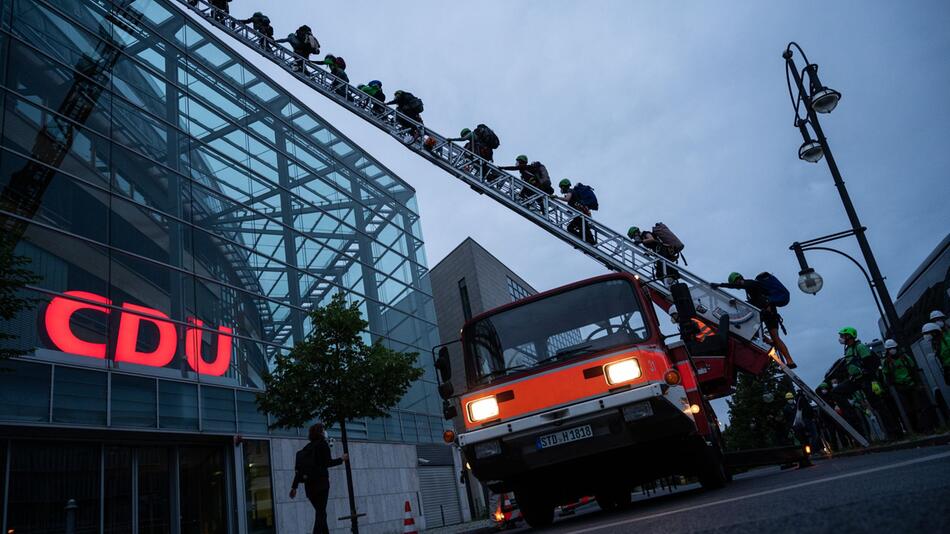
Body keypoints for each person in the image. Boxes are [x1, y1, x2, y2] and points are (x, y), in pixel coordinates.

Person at [711, 272, 796, 368]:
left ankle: (788, 359)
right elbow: (754, 303)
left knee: (763, 334)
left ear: (738, 279)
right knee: (768, 336)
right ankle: (786, 358)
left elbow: (735, 286)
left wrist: (720, 285)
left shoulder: (750, 283)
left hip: (769, 313)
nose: (737, 286)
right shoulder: (751, 290)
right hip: (768, 313)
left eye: (736, 283)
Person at [291, 423, 349, 534]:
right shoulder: (322, 445)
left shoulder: (307, 448)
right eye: (323, 430)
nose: (325, 432)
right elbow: (328, 463)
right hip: (321, 485)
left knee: (321, 512)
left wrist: (294, 487)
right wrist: (341, 459)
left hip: (309, 487)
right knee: (321, 513)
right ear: (320, 433)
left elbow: (299, 470)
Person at [881, 338, 932, 434]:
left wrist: (917, 383)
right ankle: (915, 429)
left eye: (893, 348)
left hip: (911, 385)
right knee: (908, 410)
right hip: (900, 388)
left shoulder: (904, 357)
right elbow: (887, 376)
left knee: (919, 407)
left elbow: (913, 370)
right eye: (890, 349)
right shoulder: (886, 363)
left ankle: (926, 428)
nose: (892, 350)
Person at [559, 179, 598, 245]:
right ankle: (590, 241)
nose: (561, 189)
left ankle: (589, 241)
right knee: (584, 229)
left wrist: (557, 197)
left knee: (570, 228)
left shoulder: (570, 191)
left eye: (561, 187)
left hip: (582, 214)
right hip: (584, 213)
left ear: (563, 186)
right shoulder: (574, 194)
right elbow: (571, 206)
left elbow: (567, 199)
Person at [922, 318, 950, 383]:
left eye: (926, 333)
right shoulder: (935, 343)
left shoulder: (947, 339)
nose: (925, 336)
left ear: (934, 332)